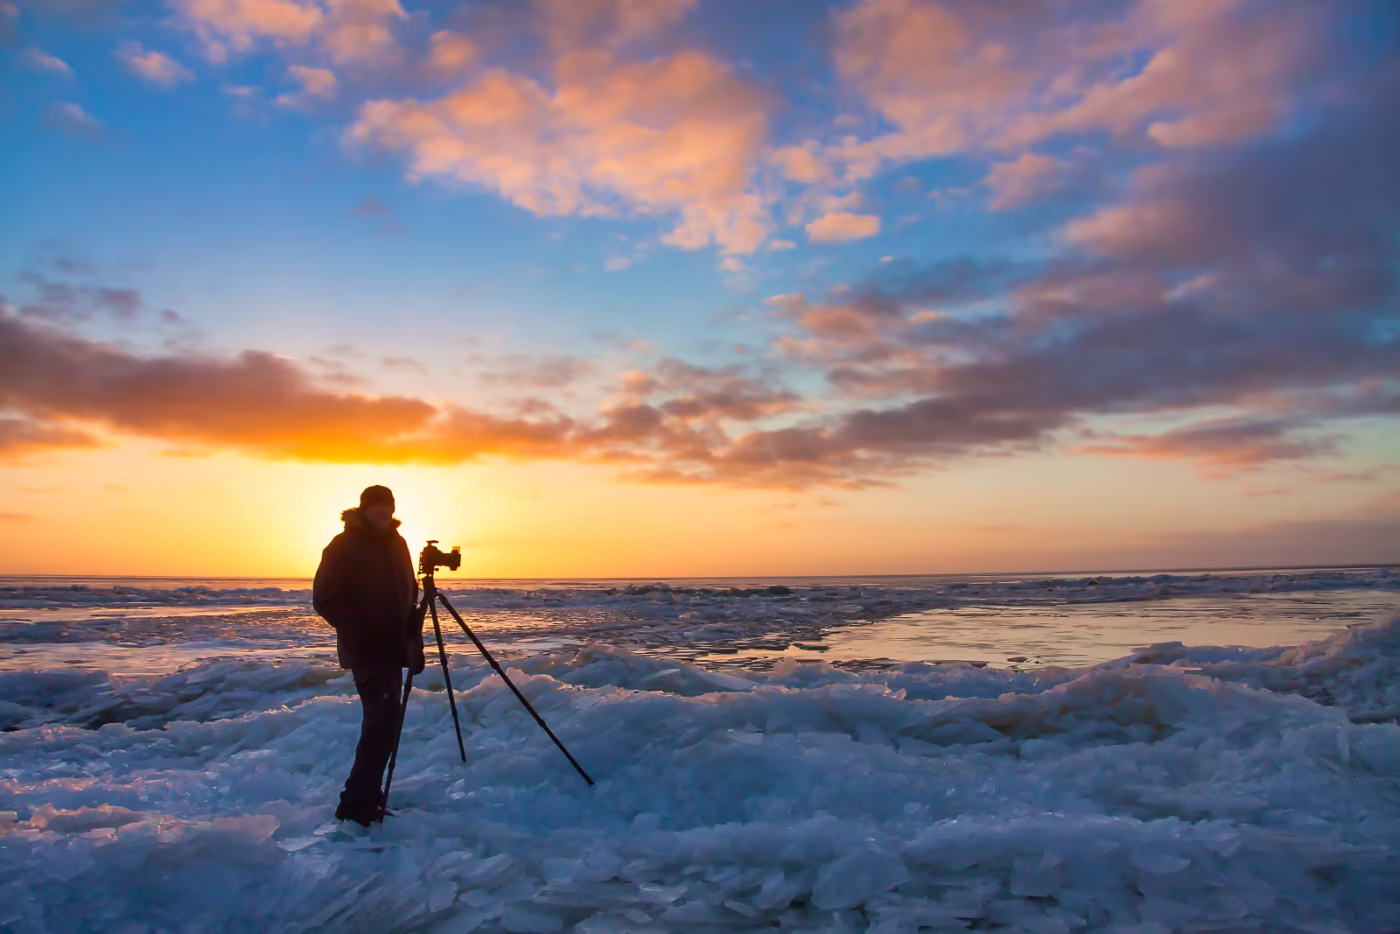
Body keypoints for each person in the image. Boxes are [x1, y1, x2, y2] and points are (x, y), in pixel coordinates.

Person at [312, 484, 426, 826]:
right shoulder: (345, 544)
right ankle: (354, 803)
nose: (381, 510)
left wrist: (412, 636)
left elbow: (406, 591)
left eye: (386, 505)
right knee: (380, 723)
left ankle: (367, 795)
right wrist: (361, 631)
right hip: (366, 649)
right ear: (364, 508)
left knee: (386, 723)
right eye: (375, 505)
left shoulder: (397, 542)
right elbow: (324, 598)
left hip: (392, 647)